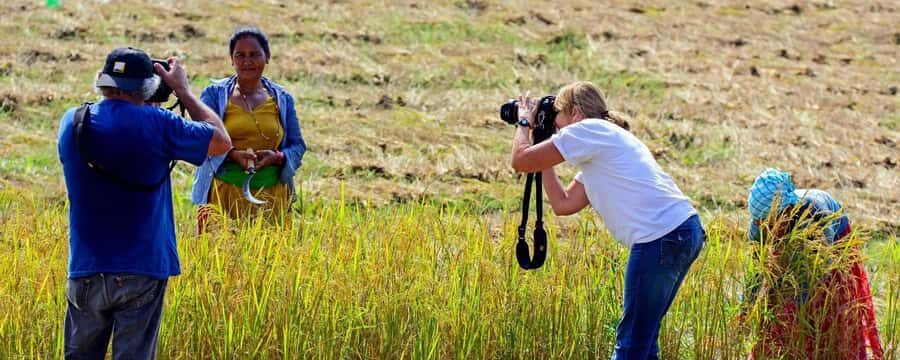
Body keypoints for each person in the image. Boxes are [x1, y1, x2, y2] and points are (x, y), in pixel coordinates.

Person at [57, 47, 232, 358]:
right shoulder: (159, 123)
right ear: (149, 88)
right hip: (142, 267)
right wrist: (183, 90)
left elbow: (118, 127)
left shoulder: (72, 122)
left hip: (86, 266)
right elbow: (221, 141)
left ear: (101, 80)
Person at [510, 81, 705, 359]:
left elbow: (520, 161)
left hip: (660, 238)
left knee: (630, 348)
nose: (556, 127)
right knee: (643, 344)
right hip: (681, 231)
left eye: (557, 117)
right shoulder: (602, 144)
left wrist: (524, 122)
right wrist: (543, 150)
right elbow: (563, 204)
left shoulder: (590, 130)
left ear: (575, 113)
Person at [743, 168, 883, 359]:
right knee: (775, 312)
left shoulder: (816, 215)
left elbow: (818, 275)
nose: (766, 227)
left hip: (833, 248)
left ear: (787, 210)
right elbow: (756, 274)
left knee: (827, 312)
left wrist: (794, 310)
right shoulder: (759, 226)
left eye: (771, 221)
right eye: (760, 222)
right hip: (799, 240)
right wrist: (747, 309)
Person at [192, 26, 306, 229]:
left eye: (254, 55)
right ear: (231, 60)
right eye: (240, 55)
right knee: (223, 255)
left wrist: (278, 157)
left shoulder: (282, 98)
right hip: (224, 193)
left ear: (267, 57)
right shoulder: (215, 95)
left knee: (271, 256)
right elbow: (201, 140)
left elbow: (297, 146)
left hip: (272, 196)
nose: (247, 61)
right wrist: (233, 154)